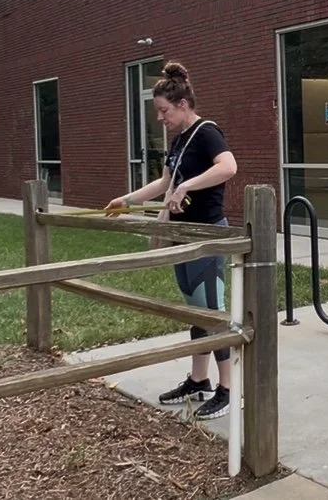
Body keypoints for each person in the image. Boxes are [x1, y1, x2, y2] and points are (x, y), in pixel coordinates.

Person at [104, 61, 238, 419]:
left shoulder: (207, 131)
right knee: (194, 310)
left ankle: (227, 389)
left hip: (206, 235)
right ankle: (199, 380)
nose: (160, 118)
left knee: (212, 312)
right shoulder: (178, 141)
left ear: (182, 105)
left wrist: (187, 185)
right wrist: (127, 200)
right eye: (157, 112)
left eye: (163, 110)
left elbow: (228, 167)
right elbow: (164, 183)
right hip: (181, 235)